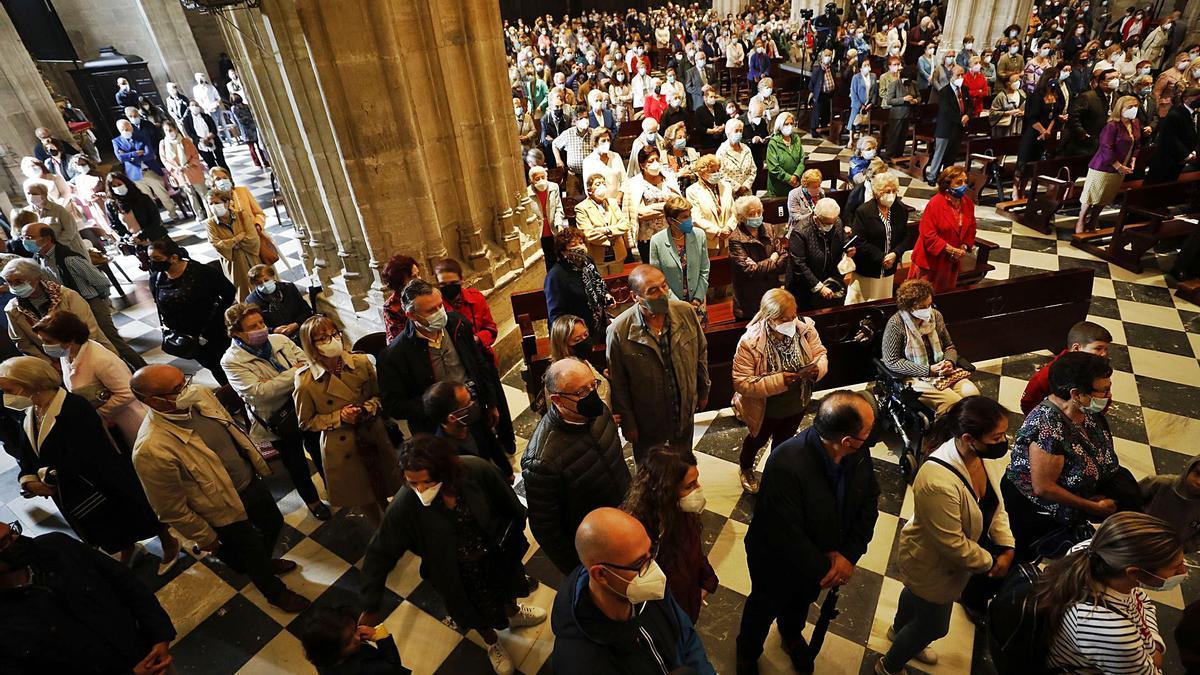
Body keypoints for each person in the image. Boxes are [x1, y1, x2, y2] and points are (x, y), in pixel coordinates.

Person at [130, 364, 310, 612]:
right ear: (154, 401)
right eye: (177, 389)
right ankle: (274, 592)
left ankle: (260, 564)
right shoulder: (151, 449)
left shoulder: (200, 395)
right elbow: (169, 508)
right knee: (249, 550)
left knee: (273, 524)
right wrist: (206, 537)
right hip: (221, 509)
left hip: (248, 482)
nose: (188, 389)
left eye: (185, 380)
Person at [360, 435, 543, 675]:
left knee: (507, 590)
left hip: (495, 557)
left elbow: (511, 506)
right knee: (474, 611)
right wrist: (371, 605)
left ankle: (514, 613)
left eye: (425, 482)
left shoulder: (476, 470)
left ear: (444, 470)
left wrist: (510, 543)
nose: (420, 490)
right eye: (412, 483)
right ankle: (492, 643)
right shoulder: (406, 505)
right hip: (455, 573)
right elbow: (380, 552)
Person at [736, 391, 881, 674]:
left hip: (821, 560)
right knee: (762, 608)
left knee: (801, 602)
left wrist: (848, 556)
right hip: (776, 561)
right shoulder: (786, 462)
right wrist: (828, 568)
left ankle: (790, 634)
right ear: (846, 441)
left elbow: (869, 499)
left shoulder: (857, 451)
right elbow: (785, 534)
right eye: (868, 431)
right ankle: (747, 652)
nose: (871, 435)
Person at [877, 396, 1016, 675]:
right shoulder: (937, 481)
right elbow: (952, 543)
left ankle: (898, 630)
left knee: (915, 597)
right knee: (934, 626)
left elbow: (995, 503)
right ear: (968, 438)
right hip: (933, 562)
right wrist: (992, 562)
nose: (1004, 442)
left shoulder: (982, 458)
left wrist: (1006, 544)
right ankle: (888, 666)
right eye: (997, 436)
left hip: (942, 563)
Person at [0, 356, 176, 566]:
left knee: (135, 514)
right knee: (105, 528)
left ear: (30, 385)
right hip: (68, 489)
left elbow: (84, 455)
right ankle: (127, 547)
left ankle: (169, 544)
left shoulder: (74, 407)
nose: (7, 397)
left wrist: (47, 481)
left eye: (10, 390)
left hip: (100, 481)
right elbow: (26, 450)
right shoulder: (30, 412)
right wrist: (27, 479)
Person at [1003, 352, 1137, 561]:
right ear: (1076, 394)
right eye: (1104, 390)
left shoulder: (1087, 411)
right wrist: (1093, 507)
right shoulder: (1047, 427)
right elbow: (1044, 488)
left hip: (1084, 498)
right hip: (1040, 512)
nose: (1109, 396)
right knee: (1033, 553)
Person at [550, 507, 717, 674]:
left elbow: (685, 635)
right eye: (639, 563)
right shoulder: (580, 663)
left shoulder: (647, 588)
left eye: (651, 553)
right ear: (601, 574)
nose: (654, 570)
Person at [0, 520, 178, 674]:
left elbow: (126, 582)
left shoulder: (56, 546)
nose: (17, 539)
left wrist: (159, 637)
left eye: (12, 531)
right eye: (4, 543)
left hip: (152, 660)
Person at [1031, 512, 1184, 672]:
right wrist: (1151, 655)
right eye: (1175, 568)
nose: (1184, 572)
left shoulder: (1099, 553)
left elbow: (1141, 600)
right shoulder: (1112, 631)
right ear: (1135, 573)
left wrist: (1154, 646)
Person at [221, 303, 330, 520]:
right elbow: (260, 393)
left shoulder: (279, 340)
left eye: (261, 322)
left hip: (307, 406)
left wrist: (277, 380)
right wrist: (295, 373)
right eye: (253, 326)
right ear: (236, 333)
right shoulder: (231, 361)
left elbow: (311, 364)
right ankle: (313, 501)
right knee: (296, 463)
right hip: (277, 418)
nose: (261, 328)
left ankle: (333, 487)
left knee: (320, 450)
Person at [522, 357, 629, 574]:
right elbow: (547, 529)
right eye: (581, 392)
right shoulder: (541, 461)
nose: (592, 395)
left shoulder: (599, 412)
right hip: (595, 543)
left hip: (625, 516)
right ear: (557, 400)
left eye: (593, 385)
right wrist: (578, 571)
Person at [295, 315, 402, 526]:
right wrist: (339, 417)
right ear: (311, 345)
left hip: (372, 432)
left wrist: (367, 407)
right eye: (323, 338)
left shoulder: (361, 362)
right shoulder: (306, 382)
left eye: (334, 334)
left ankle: (400, 522)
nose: (332, 340)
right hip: (342, 444)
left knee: (391, 483)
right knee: (364, 495)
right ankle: (382, 531)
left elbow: (379, 395)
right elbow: (306, 422)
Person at [379, 279, 511, 447]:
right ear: (411, 315)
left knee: (486, 450)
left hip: (474, 409)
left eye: (440, 305)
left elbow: (479, 365)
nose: (440, 313)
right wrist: (437, 405)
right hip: (435, 429)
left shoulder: (458, 323)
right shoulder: (394, 356)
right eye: (431, 310)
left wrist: (491, 402)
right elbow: (394, 406)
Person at [607, 264, 709, 463]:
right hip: (649, 419)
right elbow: (618, 381)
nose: (662, 294)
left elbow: (701, 352)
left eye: (664, 286)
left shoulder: (685, 312)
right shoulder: (619, 331)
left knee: (683, 463)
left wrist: (703, 389)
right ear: (635, 296)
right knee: (652, 471)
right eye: (652, 291)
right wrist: (629, 423)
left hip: (683, 410)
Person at [731, 288, 828, 495]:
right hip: (766, 409)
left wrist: (817, 369)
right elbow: (742, 382)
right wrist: (779, 380)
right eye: (785, 319)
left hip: (797, 402)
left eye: (793, 316)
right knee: (757, 440)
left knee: (783, 443)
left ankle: (775, 472)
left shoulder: (805, 328)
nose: (792, 322)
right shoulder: (751, 342)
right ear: (771, 318)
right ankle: (746, 467)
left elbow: (820, 353)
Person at [19, 223, 145, 368]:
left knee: (113, 342)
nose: (25, 241)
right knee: (90, 348)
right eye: (23, 237)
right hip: (70, 309)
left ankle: (144, 370)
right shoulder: (39, 260)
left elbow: (101, 282)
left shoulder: (69, 259)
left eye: (29, 237)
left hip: (91, 304)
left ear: (47, 239)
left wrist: (101, 303)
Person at [622, 447, 716, 624]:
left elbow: (694, 549)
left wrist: (706, 581)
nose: (698, 489)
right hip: (664, 615)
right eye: (690, 486)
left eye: (697, 481)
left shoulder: (681, 512)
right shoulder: (639, 534)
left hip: (686, 601)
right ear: (666, 491)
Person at [31, 310, 146, 448]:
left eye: (48, 341)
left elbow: (127, 392)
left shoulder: (100, 359)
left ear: (71, 339)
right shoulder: (66, 354)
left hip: (128, 419)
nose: (45, 346)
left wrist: (98, 413)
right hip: (107, 423)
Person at [881, 278, 981, 414]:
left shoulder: (936, 316)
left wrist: (949, 362)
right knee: (952, 403)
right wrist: (928, 370)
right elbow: (891, 361)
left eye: (929, 304)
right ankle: (940, 435)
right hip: (914, 375)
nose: (928, 310)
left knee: (972, 395)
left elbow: (949, 346)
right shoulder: (896, 324)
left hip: (941, 369)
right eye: (923, 307)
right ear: (909, 308)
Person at [147, 238, 236, 386]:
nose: (152, 263)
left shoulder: (202, 272)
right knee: (214, 367)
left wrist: (220, 315)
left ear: (173, 258)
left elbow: (228, 292)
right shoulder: (156, 279)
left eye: (156, 258)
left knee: (229, 363)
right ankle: (230, 395)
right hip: (188, 337)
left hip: (214, 332)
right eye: (150, 259)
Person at [2, 257, 118, 364]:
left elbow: (88, 328)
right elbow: (24, 344)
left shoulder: (66, 296)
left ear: (36, 278)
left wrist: (76, 356)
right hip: (56, 364)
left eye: (18, 282)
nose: (13, 287)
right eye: (9, 283)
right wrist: (50, 363)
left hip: (92, 352)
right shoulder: (12, 309)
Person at [1076, 95, 1142, 233]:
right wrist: (1118, 165)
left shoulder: (1134, 123)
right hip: (1103, 167)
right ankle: (1081, 220)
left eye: (1136, 106)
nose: (1134, 109)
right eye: (1130, 107)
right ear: (1121, 108)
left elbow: (1137, 143)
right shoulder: (1112, 126)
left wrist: (1134, 159)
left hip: (1121, 168)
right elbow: (1106, 147)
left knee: (1105, 197)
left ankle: (1093, 220)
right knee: (1092, 196)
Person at [1020, 320, 1112, 414]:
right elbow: (1028, 403)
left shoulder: (1099, 371)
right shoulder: (1045, 376)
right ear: (1076, 348)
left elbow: (1104, 395)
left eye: (1106, 349)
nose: (1104, 354)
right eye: (1098, 349)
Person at [543, 228, 611, 351]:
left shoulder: (587, 262)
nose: (580, 247)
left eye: (581, 242)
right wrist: (573, 335)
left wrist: (605, 295)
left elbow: (597, 282)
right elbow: (556, 316)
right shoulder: (556, 276)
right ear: (563, 251)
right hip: (576, 336)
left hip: (597, 326)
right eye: (573, 245)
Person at [910, 166, 976, 292]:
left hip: (950, 263)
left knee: (944, 297)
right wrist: (950, 249)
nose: (964, 186)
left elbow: (971, 227)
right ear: (947, 184)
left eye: (965, 181)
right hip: (930, 262)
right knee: (921, 298)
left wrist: (964, 246)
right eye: (959, 182)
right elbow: (928, 234)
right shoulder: (935, 203)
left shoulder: (967, 203)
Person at [850, 173, 911, 302]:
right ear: (877, 192)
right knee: (864, 301)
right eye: (887, 191)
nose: (891, 195)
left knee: (884, 300)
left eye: (894, 191)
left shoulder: (900, 209)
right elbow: (859, 241)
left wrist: (895, 253)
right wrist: (881, 257)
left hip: (889, 267)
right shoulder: (864, 211)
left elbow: (905, 237)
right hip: (868, 267)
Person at [298, 606, 411, 674]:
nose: (357, 638)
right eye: (347, 642)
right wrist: (382, 637)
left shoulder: (322, 657)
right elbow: (393, 667)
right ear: (333, 653)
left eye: (354, 630)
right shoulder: (362, 669)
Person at [649, 196, 710, 312]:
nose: (690, 220)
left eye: (690, 215)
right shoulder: (657, 241)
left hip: (697, 302)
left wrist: (697, 299)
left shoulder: (699, 235)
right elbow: (657, 278)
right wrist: (678, 304)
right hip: (671, 304)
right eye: (685, 217)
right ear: (671, 220)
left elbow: (704, 270)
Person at [787, 197, 848, 311]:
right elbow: (799, 264)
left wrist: (848, 248)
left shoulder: (836, 222)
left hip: (831, 281)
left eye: (834, 221)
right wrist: (818, 286)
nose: (831, 225)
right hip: (805, 287)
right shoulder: (800, 232)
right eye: (827, 223)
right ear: (816, 218)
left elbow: (843, 239)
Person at [729, 195, 784, 320]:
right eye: (751, 213)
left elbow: (784, 258)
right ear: (741, 217)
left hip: (772, 293)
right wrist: (772, 260)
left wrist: (758, 265)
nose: (756, 216)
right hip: (749, 300)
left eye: (759, 212)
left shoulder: (769, 228)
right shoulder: (736, 238)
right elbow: (749, 271)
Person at [623, 145, 682, 263]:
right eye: (651, 161)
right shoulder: (634, 184)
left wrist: (653, 207)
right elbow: (641, 213)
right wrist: (668, 206)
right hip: (648, 239)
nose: (655, 163)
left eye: (657, 159)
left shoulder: (668, 178)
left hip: (671, 233)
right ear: (642, 165)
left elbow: (679, 205)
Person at [112, 120, 178, 222]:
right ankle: (157, 220)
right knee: (148, 200)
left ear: (131, 127)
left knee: (163, 194)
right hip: (135, 175)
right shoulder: (117, 142)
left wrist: (129, 156)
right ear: (119, 130)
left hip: (150, 170)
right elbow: (120, 158)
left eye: (127, 128)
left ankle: (173, 214)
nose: (126, 130)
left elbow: (149, 154)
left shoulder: (141, 137)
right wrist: (135, 154)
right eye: (123, 129)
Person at [204, 190, 262, 302]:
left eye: (217, 203)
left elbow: (252, 238)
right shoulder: (210, 224)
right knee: (242, 292)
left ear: (226, 203)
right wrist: (236, 239)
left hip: (251, 257)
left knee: (259, 282)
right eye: (210, 204)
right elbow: (217, 245)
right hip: (234, 264)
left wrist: (229, 243)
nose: (213, 206)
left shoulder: (241, 215)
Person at [1140, 452, 1200, 553]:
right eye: (1198, 473)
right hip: (1136, 536)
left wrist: (1182, 548)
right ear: (1189, 469)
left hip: (1167, 551)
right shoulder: (1162, 483)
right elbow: (1130, 498)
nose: (1199, 482)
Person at [547, 314, 611, 408]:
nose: (585, 341)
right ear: (563, 346)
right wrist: (606, 418)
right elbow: (576, 410)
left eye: (585, 335)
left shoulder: (580, 360)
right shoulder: (564, 376)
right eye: (577, 340)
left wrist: (601, 371)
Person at [574, 173, 630, 275]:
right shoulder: (581, 208)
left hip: (617, 254)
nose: (602, 186)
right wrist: (611, 239)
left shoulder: (612, 203)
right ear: (589, 190)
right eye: (598, 184)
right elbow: (588, 233)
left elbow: (625, 224)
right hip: (597, 257)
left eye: (604, 183)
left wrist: (607, 230)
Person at [11, 183, 88, 257]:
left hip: (69, 249)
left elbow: (70, 230)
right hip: (45, 254)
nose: (31, 196)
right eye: (28, 193)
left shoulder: (58, 210)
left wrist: (55, 247)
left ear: (44, 194)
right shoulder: (26, 212)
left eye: (34, 193)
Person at [924, 66, 970, 183]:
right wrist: (961, 119)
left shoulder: (964, 89)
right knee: (939, 154)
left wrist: (967, 115)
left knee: (952, 155)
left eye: (962, 75)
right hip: (945, 128)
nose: (961, 77)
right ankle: (932, 177)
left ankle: (946, 177)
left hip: (958, 129)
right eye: (958, 75)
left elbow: (969, 105)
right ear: (951, 77)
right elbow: (946, 110)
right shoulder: (945, 91)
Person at [1145, 86, 1199, 185]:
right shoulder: (1175, 114)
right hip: (1168, 160)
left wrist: (1195, 151)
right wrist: (1187, 155)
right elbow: (1171, 138)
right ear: (1186, 99)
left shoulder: (1193, 113)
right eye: (1197, 98)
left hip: (1183, 158)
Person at [686, 155, 736, 258]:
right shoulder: (692, 191)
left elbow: (734, 211)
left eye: (718, 170)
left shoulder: (726, 186)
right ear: (701, 173)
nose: (717, 174)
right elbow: (696, 218)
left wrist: (729, 228)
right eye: (713, 172)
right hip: (708, 241)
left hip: (728, 238)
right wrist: (718, 232)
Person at [246, 263, 313, 340]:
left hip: (301, 328)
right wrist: (274, 330)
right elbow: (256, 326)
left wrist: (296, 324)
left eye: (266, 280)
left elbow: (306, 310)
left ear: (273, 277)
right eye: (259, 283)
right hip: (275, 337)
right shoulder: (251, 300)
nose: (264, 284)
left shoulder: (289, 288)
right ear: (254, 285)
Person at [106, 172, 169, 253]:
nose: (117, 188)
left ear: (126, 183)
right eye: (114, 186)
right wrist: (129, 238)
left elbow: (156, 219)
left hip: (155, 238)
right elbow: (115, 225)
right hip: (135, 244)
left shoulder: (143, 198)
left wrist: (141, 235)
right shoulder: (111, 204)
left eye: (119, 184)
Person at [158, 118, 207, 219]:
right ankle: (199, 215)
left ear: (175, 129)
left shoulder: (185, 141)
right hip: (180, 174)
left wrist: (188, 165)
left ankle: (211, 212)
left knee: (203, 193)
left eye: (170, 130)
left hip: (192, 170)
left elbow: (195, 155)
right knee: (191, 195)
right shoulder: (163, 144)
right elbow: (164, 159)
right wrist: (174, 168)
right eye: (166, 131)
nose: (169, 132)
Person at [1064, 68, 1119, 158]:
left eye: (1116, 77)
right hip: (1087, 145)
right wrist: (1083, 134)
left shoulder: (1117, 97)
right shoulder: (1088, 96)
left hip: (1108, 143)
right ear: (1101, 82)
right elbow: (1074, 117)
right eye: (1111, 78)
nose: (1115, 80)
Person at [527, 164, 566, 270]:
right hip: (539, 232)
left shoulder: (554, 187)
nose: (541, 180)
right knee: (548, 261)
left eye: (542, 177)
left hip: (553, 228)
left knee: (559, 257)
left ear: (546, 176)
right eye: (537, 179)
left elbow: (558, 208)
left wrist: (559, 224)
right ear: (532, 181)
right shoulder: (527, 193)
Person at [380, 254, 421, 342]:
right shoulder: (391, 307)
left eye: (418, 275)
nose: (419, 280)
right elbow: (401, 340)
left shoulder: (426, 293)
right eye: (413, 277)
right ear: (399, 282)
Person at [884, 65, 922, 160]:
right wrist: (903, 99)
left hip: (908, 114)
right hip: (897, 115)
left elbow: (919, 97)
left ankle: (899, 155)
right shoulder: (894, 84)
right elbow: (889, 100)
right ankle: (889, 155)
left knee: (903, 137)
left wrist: (915, 101)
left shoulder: (913, 84)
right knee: (894, 136)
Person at [765, 112, 805, 197]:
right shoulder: (773, 143)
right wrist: (789, 179)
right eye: (786, 124)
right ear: (780, 125)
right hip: (778, 188)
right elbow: (773, 168)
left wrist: (796, 175)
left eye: (791, 123)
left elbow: (802, 159)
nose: (789, 126)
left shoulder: (796, 139)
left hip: (795, 185)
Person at [581, 126, 625, 204]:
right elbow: (588, 189)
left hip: (618, 202)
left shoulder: (616, 156)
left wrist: (619, 197)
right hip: (600, 204)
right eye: (603, 141)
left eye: (608, 140)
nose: (607, 143)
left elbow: (624, 180)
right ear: (595, 143)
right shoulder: (588, 162)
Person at [182, 100, 228, 171]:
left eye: (196, 105)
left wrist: (209, 136)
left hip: (213, 141)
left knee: (222, 162)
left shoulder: (206, 116)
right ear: (189, 107)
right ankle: (217, 180)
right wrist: (201, 139)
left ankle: (228, 178)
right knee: (211, 164)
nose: (195, 107)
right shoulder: (187, 120)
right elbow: (190, 133)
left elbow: (213, 128)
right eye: (192, 105)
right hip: (201, 145)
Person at [716, 118, 757, 197]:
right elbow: (721, 173)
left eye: (741, 131)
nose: (739, 133)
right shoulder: (722, 151)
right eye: (736, 131)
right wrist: (737, 188)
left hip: (747, 193)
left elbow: (753, 170)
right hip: (730, 194)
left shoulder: (746, 149)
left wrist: (745, 186)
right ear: (728, 132)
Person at [989, 73, 1027, 137]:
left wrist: (1023, 113)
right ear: (1008, 83)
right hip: (1005, 129)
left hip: (1020, 126)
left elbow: (1028, 108)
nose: (1018, 82)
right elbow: (992, 113)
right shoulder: (1001, 96)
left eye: (1019, 79)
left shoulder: (1022, 93)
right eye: (1015, 80)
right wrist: (1007, 113)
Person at [849, 61, 876, 149]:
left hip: (868, 103)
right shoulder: (856, 77)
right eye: (865, 65)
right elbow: (853, 92)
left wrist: (871, 103)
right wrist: (860, 105)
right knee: (853, 121)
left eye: (868, 65)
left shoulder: (873, 76)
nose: (867, 67)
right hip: (858, 103)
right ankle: (851, 139)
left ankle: (861, 140)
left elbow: (875, 91)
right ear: (860, 68)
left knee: (864, 121)